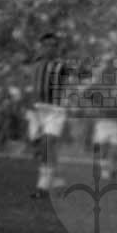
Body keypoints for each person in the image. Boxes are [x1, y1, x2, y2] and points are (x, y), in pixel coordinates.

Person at [28, 30, 85, 199]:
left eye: (54, 46)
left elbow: (82, 73)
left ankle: (43, 186)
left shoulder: (61, 65)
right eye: (47, 45)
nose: (50, 48)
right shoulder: (36, 63)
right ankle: (57, 180)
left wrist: (81, 67)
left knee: (47, 143)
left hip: (55, 110)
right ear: (41, 47)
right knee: (42, 148)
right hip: (37, 110)